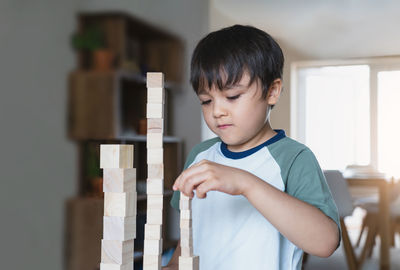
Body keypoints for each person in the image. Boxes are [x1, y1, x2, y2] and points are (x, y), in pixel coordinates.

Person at [163, 25, 340, 270]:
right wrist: (172, 265)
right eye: (206, 101)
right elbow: (191, 233)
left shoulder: (294, 159)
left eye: (233, 96)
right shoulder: (200, 156)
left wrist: (246, 183)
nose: (217, 111)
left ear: (272, 91)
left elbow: (325, 242)